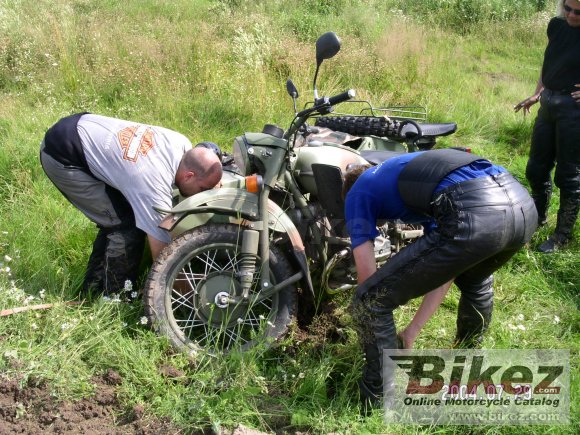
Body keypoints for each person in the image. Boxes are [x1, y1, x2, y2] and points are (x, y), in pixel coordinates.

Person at [342, 149, 537, 408]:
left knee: (370, 300)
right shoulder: (410, 178)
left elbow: (367, 279)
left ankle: (378, 399)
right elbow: (447, 270)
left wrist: (367, 323)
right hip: (521, 206)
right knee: (473, 281)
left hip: (476, 207)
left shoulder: (359, 190)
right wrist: (411, 332)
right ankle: (467, 356)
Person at [40, 113, 222, 296]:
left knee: (125, 213)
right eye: (203, 188)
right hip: (63, 154)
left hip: (85, 126)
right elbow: (163, 255)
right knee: (124, 225)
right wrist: (191, 295)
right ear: (189, 176)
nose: (202, 194)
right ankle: (115, 296)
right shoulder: (152, 184)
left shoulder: (182, 144)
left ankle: (92, 289)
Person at [514, 0, 580, 253]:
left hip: (574, 112)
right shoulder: (556, 26)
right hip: (548, 103)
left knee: (569, 176)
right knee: (536, 168)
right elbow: (548, 62)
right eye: (568, 8)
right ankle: (537, 217)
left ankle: (562, 236)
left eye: (578, 12)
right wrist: (536, 93)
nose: (572, 15)